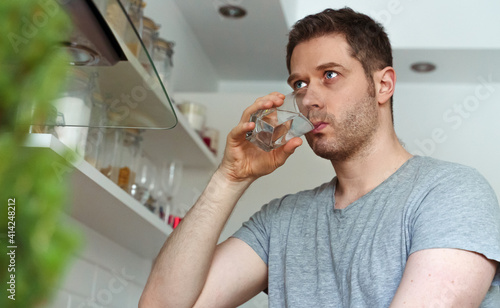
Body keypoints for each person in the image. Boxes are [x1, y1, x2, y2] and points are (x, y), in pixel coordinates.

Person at [140, 7, 500, 307]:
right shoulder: (281, 220)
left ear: (383, 85)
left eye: (330, 75)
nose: (309, 98)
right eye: (299, 84)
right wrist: (229, 179)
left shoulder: (451, 192)